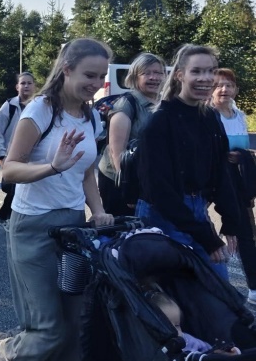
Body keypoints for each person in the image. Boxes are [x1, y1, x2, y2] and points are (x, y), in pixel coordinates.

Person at [0, 38, 114, 361]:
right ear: (67, 69)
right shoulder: (40, 110)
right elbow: (10, 170)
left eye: (101, 77)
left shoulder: (92, 118)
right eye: (89, 74)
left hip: (73, 229)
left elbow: (87, 173)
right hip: (33, 227)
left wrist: (98, 210)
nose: (95, 83)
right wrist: (51, 166)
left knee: (71, 329)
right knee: (47, 327)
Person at [135, 45, 240, 283]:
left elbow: (220, 171)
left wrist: (231, 220)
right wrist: (206, 237)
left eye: (211, 71)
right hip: (161, 216)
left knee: (219, 286)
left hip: (196, 210)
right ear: (180, 75)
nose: (205, 78)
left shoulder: (210, 117)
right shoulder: (160, 121)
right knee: (173, 292)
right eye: (197, 71)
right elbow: (158, 190)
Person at [96, 53, 165, 217]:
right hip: (122, 182)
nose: (154, 77)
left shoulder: (164, 103)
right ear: (135, 77)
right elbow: (117, 154)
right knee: (126, 228)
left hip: (150, 180)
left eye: (158, 73)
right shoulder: (126, 104)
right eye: (146, 73)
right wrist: (130, 189)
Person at [210, 67, 256, 304]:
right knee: (203, 228)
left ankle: (254, 288)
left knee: (246, 232)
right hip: (209, 180)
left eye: (229, 85)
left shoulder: (239, 116)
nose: (224, 89)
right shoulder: (206, 115)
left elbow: (244, 148)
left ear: (236, 89)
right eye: (218, 85)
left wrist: (244, 157)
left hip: (235, 181)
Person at [0, 72, 37, 230]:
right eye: (23, 83)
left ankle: (11, 218)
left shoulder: (39, 106)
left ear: (34, 86)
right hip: (11, 156)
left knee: (24, 189)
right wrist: (1, 155)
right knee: (12, 188)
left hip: (32, 156)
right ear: (17, 86)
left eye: (29, 83)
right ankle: (4, 216)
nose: (26, 86)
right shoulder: (9, 106)